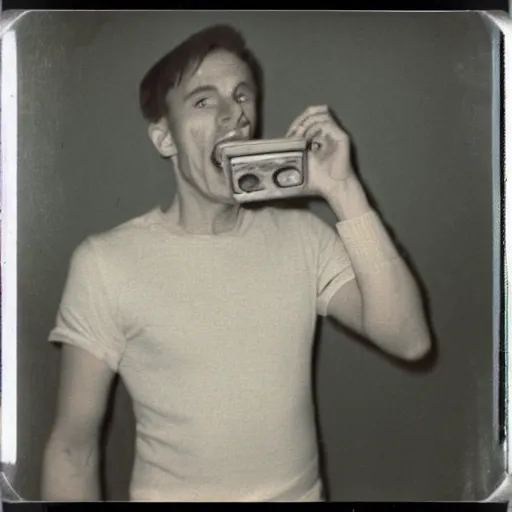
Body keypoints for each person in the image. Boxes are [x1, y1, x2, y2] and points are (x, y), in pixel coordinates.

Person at [41, 24, 432, 503]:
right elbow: (72, 452)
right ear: (164, 138)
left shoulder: (304, 238)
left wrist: (343, 190)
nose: (234, 117)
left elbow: (409, 340)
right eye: (204, 101)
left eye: (242, 97)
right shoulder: (104, 264)